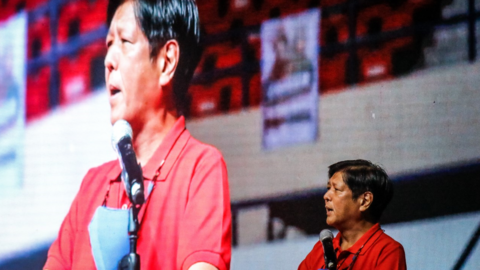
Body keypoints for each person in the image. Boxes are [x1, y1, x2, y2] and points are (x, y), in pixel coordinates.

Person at [44, 0, 231, 269]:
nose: (108, 60)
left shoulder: (200, 168)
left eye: (124, 42)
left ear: (167, 62)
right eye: (109, 44)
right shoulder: (92, 185)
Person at [298, 159, 406, 270]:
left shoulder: (387, 251)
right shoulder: (322, 250)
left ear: (365, 201)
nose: (326, 196)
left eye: (336, 189)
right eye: (328, 188)